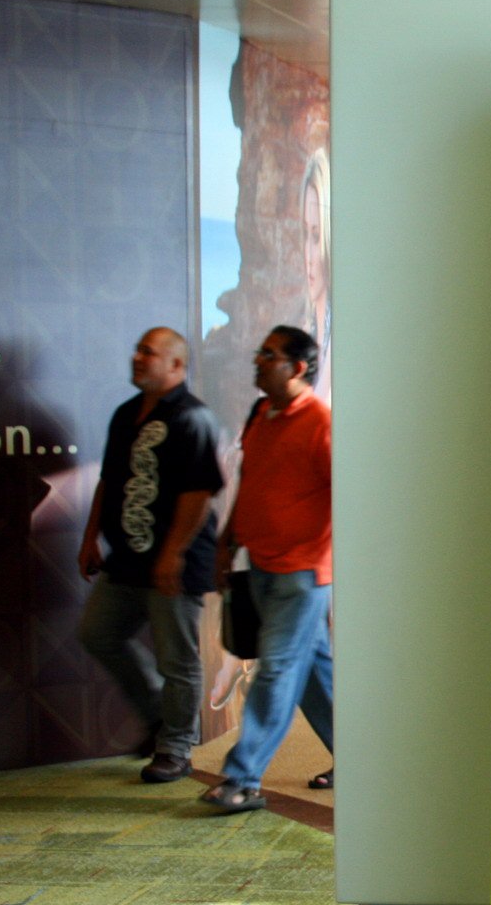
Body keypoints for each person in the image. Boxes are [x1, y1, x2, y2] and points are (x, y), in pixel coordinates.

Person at [78, 327, 225, 782]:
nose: (138, 357)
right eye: (138, 349)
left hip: (175, 564)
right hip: (126, 558)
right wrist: (90, 537)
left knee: (177, 659)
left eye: (149, 352)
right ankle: (161, 716)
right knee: (98, 633)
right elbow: (108, 480)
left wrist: (172, 554)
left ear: (176, 365)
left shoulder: (193, 417)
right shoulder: (126, 414)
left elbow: (199, 492)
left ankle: (176, 748)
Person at [203, 326, 334, 814]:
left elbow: (348, 497)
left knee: (275, 669)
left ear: (297, 368)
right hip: (260, 566)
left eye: (269, 355)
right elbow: (251, 481)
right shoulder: (261, 413)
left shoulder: (321, 424)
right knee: (315, 674)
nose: (257, 360)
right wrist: (226, 542)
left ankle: (241, 779)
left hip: (303, 575)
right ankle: (363, 760)